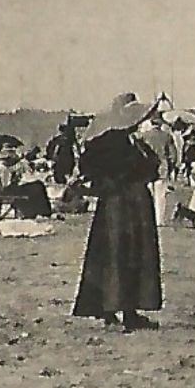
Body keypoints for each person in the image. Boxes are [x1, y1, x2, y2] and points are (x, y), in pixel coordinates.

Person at [73, 92, 163, 332]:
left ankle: (111, 308)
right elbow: (145, 168)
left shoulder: (123, 141)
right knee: (126, 253)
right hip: (125, 204)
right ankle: (126, 311)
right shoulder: (113, 143)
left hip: (120, 203)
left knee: (113, 253)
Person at [137, 115, 180, 227]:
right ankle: (159, 220)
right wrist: (171, 166)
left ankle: (146, 218)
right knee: (160, 196)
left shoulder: (144, 136)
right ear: (161, 124)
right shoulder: (167, 136)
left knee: (147, 194)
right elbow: (173, 155)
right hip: (162, 167)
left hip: (146, 167)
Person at [0, 146, 53, 218]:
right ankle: (42, 211)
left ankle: (41, 211)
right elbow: (6, 184)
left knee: (37, 185)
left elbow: (14, 170)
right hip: (8, 190)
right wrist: (16, 178)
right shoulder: (3, 168)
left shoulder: (6, 166)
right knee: (37, 187)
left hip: (11, 188)